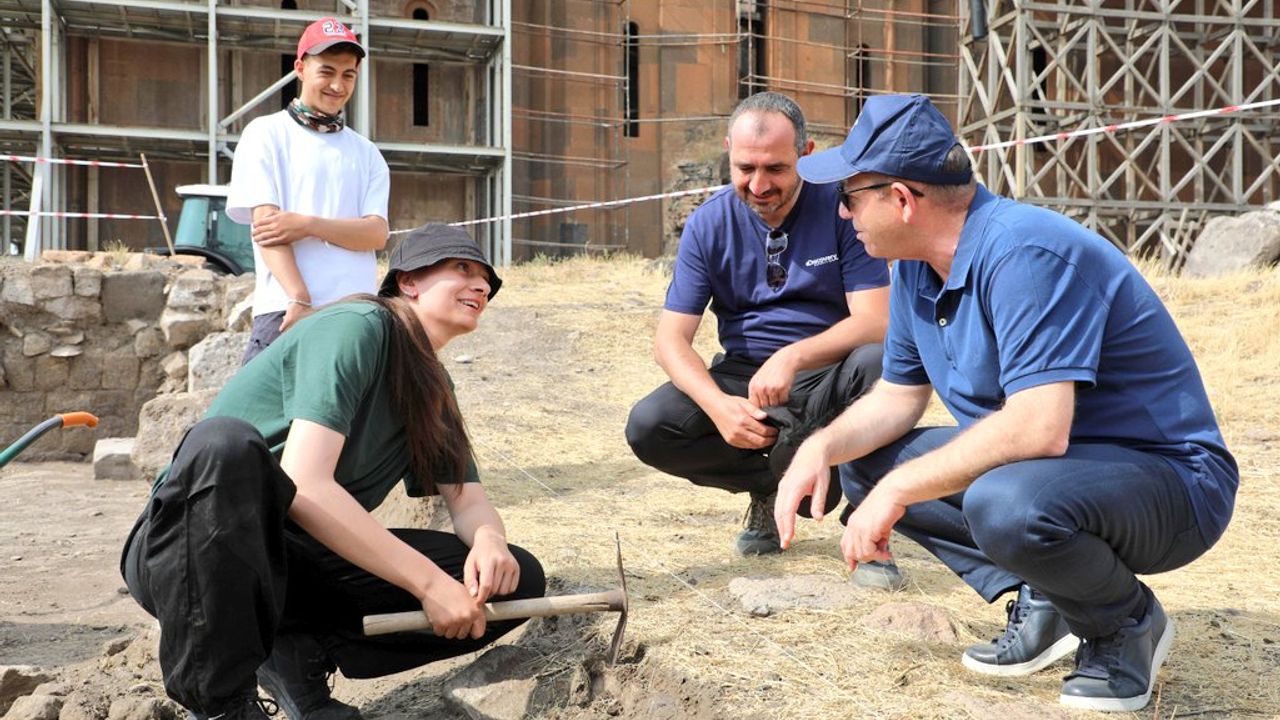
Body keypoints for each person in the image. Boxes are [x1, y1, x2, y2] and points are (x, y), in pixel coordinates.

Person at [774, 94, 1238, 712]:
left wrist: (898, 491)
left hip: (1174, 483)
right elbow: (896, 397)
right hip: (1066, 475)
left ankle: (1125, 625)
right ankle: (1050, 600)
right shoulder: (915, 267)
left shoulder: (1023, 253)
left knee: (997, 501)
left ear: (903, 199)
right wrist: (822, 448)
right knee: (868, 461)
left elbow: (1039, 428)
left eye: (851, 197)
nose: (842, 212)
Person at [119, 224, 544, 720]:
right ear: (408, 282)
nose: (481, 287)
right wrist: (430, 585)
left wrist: (490, 541)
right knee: (225, 445)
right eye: (463, 270)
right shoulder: (359, 325)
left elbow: (467, 499)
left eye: (487, 282)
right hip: (197, 552)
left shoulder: (433, 384)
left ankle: (296, 654)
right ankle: (221, 704)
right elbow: (307, 484)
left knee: (519, 578)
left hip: (292, 565)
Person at [625, 91, 894, 574]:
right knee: (651, 425)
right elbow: (670, 340)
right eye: (745, 168)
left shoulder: (843, 208)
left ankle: (869, 523)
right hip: (746, 378)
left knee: (880, 362)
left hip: (832, 372)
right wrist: (718, 406)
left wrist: (792, 358)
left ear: (806, 155)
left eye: (775, 169)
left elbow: (876, 320)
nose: (759, 184)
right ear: (729, 150)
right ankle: (770, 488)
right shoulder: (708, 223)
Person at [228, 16, 391, 365]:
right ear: (300, 68)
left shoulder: (367, 153)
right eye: (327, 71)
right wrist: (299, 298)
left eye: (348, 74)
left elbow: (376, 233)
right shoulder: (266, 134)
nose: (337, 84)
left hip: (355, 316)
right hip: (285, 311)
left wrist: (308, 225)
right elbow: (268, 228)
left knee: (350, 421)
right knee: (246, 419)